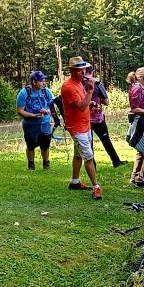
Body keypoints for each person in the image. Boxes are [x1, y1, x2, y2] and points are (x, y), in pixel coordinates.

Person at [61, 56, 102, 200]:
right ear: (73, 71)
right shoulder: (68, 87)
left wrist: (90, 104)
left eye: (84, 69)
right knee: (89, 157)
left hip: (85, 125)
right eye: (80, 70)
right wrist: (90, 90)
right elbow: (80, 106)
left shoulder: (78, 83)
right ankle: (96, 187)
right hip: (77, 128)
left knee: (78, 155)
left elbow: (82, 103)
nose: (84, 73)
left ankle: (75, 182)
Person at [87, 65, 125, 168]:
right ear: (92, 72)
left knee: (89, 143)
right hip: (98, 118)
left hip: (85, 119)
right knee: (106, 140)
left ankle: (92, 165)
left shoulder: (79, 85)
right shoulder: (97, 84)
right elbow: (106, 102)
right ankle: (116, 161)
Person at [15, 70, 54, 171]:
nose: (44, 83)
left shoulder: (46, 91)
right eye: (41, 81)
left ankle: (46, 165)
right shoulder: (24, 93)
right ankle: (31, 166)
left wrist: (47, 111)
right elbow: (20, 111)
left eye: (44, 80)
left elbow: (52, 108)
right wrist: (33, 116)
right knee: (31, 146)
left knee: (45, 146)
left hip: (45, 123)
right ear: (34, 82)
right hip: (30, 125)